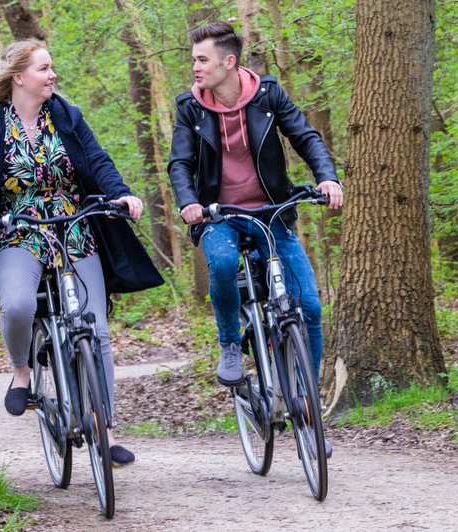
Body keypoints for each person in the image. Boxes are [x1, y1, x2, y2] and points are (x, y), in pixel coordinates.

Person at [0, 39, 163, 467]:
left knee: (97, 330)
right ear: (19, 78)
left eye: (52, 67)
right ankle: (22, 372)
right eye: (44, 69)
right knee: (17, 306)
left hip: (72, 226)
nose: (52, 75)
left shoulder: (67, 116)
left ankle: (104, 433)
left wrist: (121, 195)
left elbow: (98, 161)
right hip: (19, 229)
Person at [167, 22, 344, 453]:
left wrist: (327, 178)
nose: (194, 67)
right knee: (224, 264)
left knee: (310, 305)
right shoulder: (190, 107)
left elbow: (304, 136)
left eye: (202, 59)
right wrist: (189, 202)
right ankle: (230, 344)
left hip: (270, 212)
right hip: (219, 216)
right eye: (193, 59)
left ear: (229, 62)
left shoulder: (268, 94)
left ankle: (307, 405)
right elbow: (179, 164)